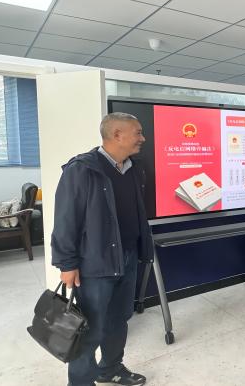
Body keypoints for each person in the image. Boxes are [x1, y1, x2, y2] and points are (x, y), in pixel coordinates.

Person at [51, 113, 154, 386]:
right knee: (88, 329)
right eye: (138, 132)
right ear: (117, 135)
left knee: (118, 320)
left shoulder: (134, 167)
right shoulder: (81, 169)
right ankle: (80, 382)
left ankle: (110, 369)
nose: (143, 138)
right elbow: (65, 219)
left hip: (128, 257)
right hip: (95, 263)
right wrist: (67, 263)